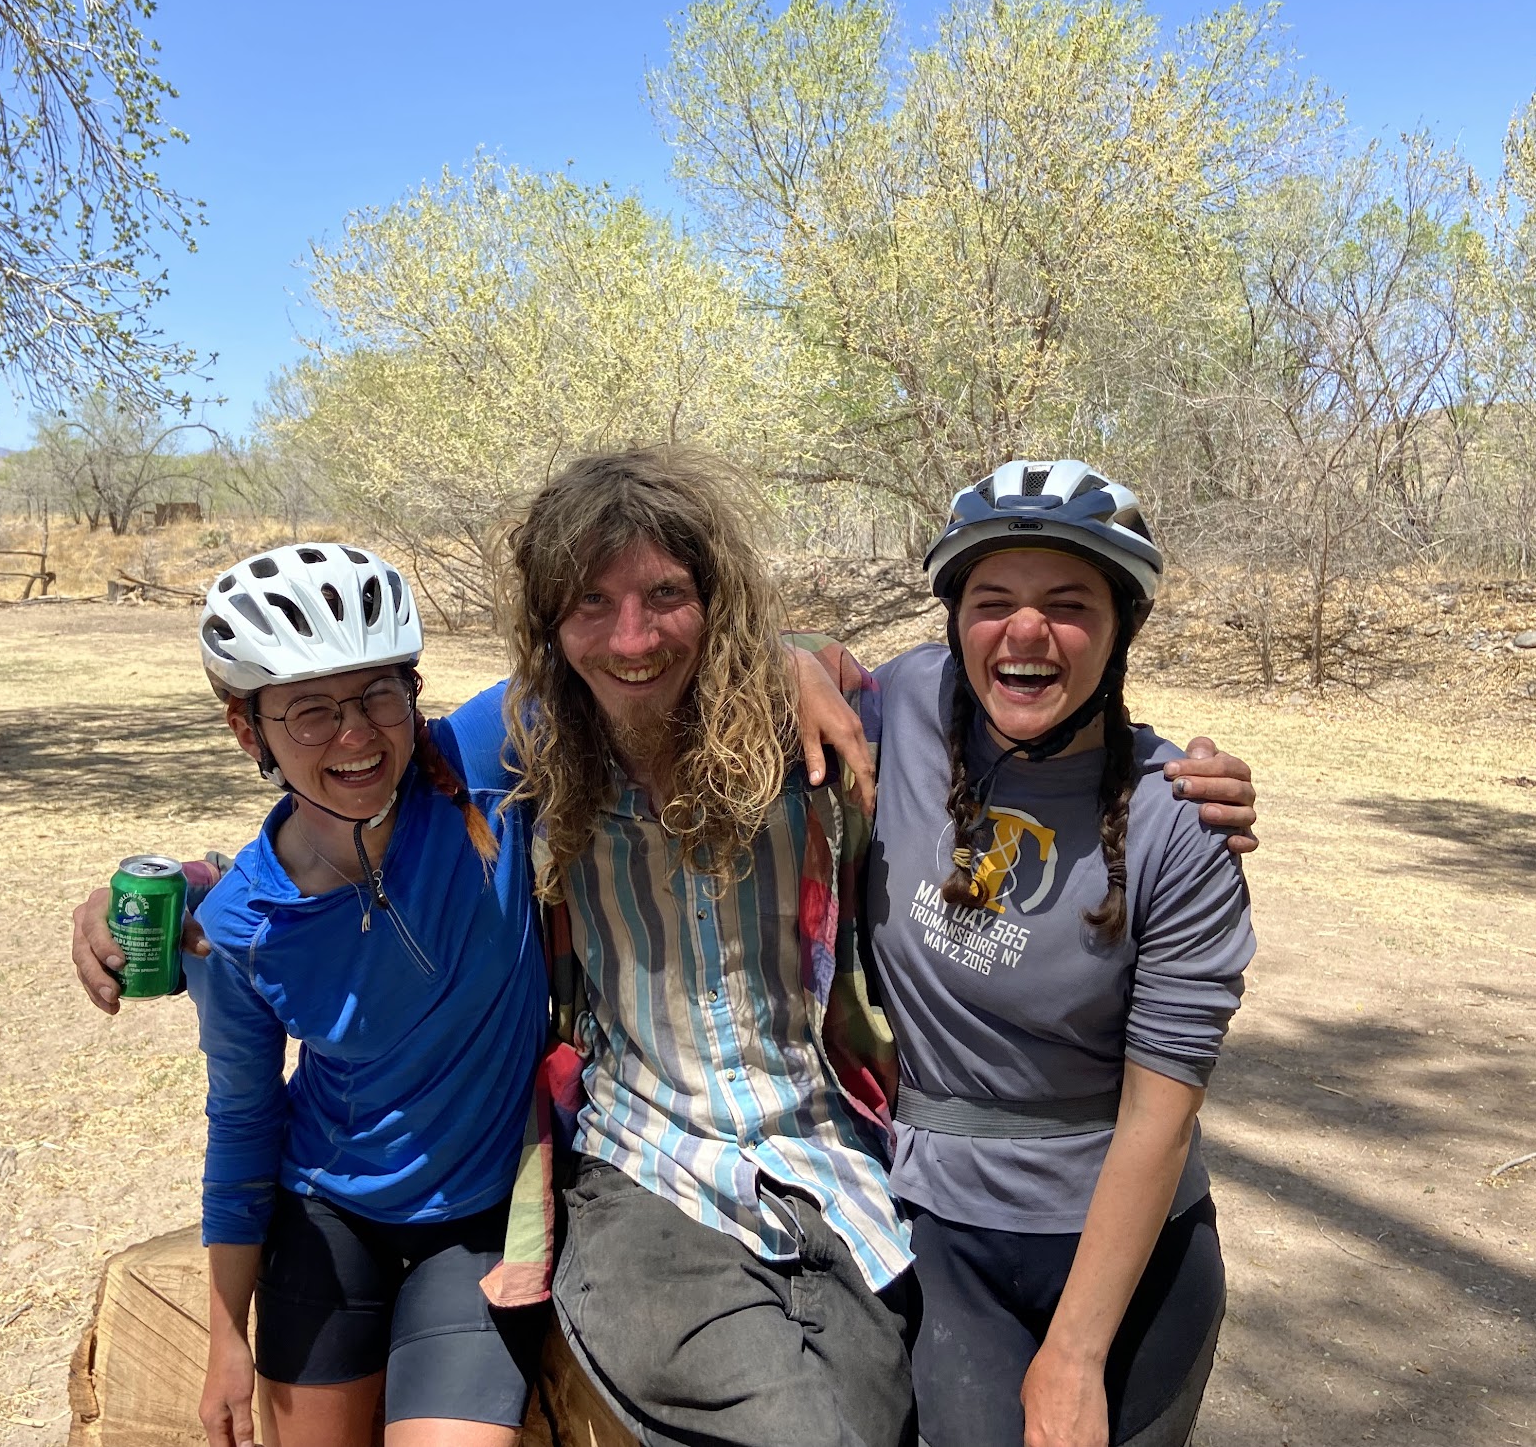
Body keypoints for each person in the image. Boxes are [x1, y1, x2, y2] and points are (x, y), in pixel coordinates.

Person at [71, 451, 1262, 1447]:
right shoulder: (519, 741)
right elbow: (337, 785)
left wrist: (804, 652)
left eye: (666, 595)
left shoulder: (819, 727)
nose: (632, 637)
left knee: (882, 1402)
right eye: (590, 603)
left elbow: (899, 677)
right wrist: (188, 885)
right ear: (547, 627)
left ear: (718, 600)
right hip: (640, 1158)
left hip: (831, 1155)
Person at [865, 459, 1254, 1447]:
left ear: (1123, 628)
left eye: (1068, 603)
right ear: (953, 622)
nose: (1025, 631)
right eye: (992, 600)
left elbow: (1160, 1117)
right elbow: (766, 671)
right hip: (942, 1230)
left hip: (1130, 1249)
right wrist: (796, 658)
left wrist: (1075, 1356)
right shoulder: (905, 705)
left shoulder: (1180, 822)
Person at [175, 541, 548, 1447]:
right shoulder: (240, 928)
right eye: (308, 711)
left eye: (379, 692)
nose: (355, 735)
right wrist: (228, 1335)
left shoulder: (487, 765)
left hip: (482, 1218)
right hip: (326, 1216)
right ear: (247, 730)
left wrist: (796, 664)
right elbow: (244, 1119)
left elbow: (634, 655)